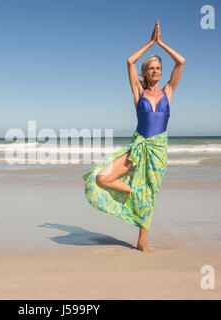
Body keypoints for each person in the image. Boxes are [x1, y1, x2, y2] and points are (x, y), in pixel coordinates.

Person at [82, 21, 185, 253]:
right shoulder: (139, 92)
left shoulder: (168, 91)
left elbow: (181, 62)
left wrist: (162, 43)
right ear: (145, 73)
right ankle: (133, 192)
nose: (155, 71)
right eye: (151, 68)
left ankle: (141, 242)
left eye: (158, 68)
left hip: (158, 150)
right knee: (102, 177)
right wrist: (150, 43)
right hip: (138, 146)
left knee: (152, 194)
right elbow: (130, 61)